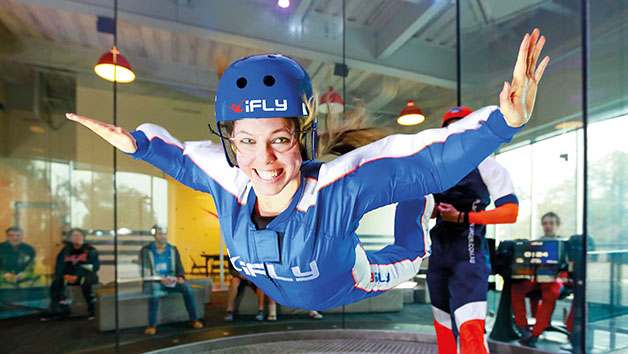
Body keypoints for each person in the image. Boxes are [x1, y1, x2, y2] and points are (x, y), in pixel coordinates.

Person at [65, 29, 549, 311]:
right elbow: (175, 154)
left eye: (280, 139)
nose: (265, 160)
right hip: (285, 285)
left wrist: (501, 124)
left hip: (351, 279)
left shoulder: (337, 188)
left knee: (413, 236)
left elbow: (426, 159)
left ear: (304, 139)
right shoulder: (230, 180)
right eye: (247, 142)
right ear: (230, 143)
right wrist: (137, 144)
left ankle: (414, 206)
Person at [413, 106, 519, 354]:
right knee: (443, 325)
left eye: (462, 126)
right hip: (439, 255)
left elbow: (511, 212)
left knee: (470, 328)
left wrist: (462, 216)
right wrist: (435, 211)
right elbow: (418, 208)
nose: (456, 132)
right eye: (451, 128)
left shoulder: (488, 165)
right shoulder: (435, 169)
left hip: (469, 256)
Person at [511, 212, 565, 346]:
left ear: (557, 225)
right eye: (545, 223)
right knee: (516, 287)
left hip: (555, 278)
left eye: (551, 223)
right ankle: (523, 328)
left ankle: (535, 333)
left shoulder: (564, 243)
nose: (548, 226)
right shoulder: (536, 243)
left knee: (550, 290)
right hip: (536, 277)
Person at [139, 225, 203, 335]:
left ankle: (194, 319)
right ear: (154, 236)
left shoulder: (173, 249)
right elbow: (144, 271)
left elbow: (179, 266)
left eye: (164, 234)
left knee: (187, 287)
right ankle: (152, 325)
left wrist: (180, 277)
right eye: (159, 234)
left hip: (171, 280)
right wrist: (160, 279)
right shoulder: (146, 250)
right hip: (154, 281)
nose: (163, 236)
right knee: (155, 291)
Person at [50, 228, 100, 318]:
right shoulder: (65, 251)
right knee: (56, 281)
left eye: (79, 235)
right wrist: (64, 275)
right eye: (74, 236)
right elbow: (59, 265)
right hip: (68, 276)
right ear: (70, 238)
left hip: (85, 275)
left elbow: (93, 266)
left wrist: (77, 276)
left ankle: (91, 309)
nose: (77, 238)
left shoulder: (90, 250)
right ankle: (60, 308)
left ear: (83, 237)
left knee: (89, 281)